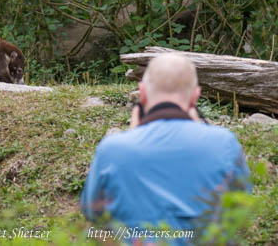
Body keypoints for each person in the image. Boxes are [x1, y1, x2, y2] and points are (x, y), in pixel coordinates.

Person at [80, 54, 251, 245]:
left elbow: (92, 211)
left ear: (142, 93)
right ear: (195, 96)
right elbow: (240, 211)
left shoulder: (112, 149)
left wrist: (132, 137)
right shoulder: (225, 143)